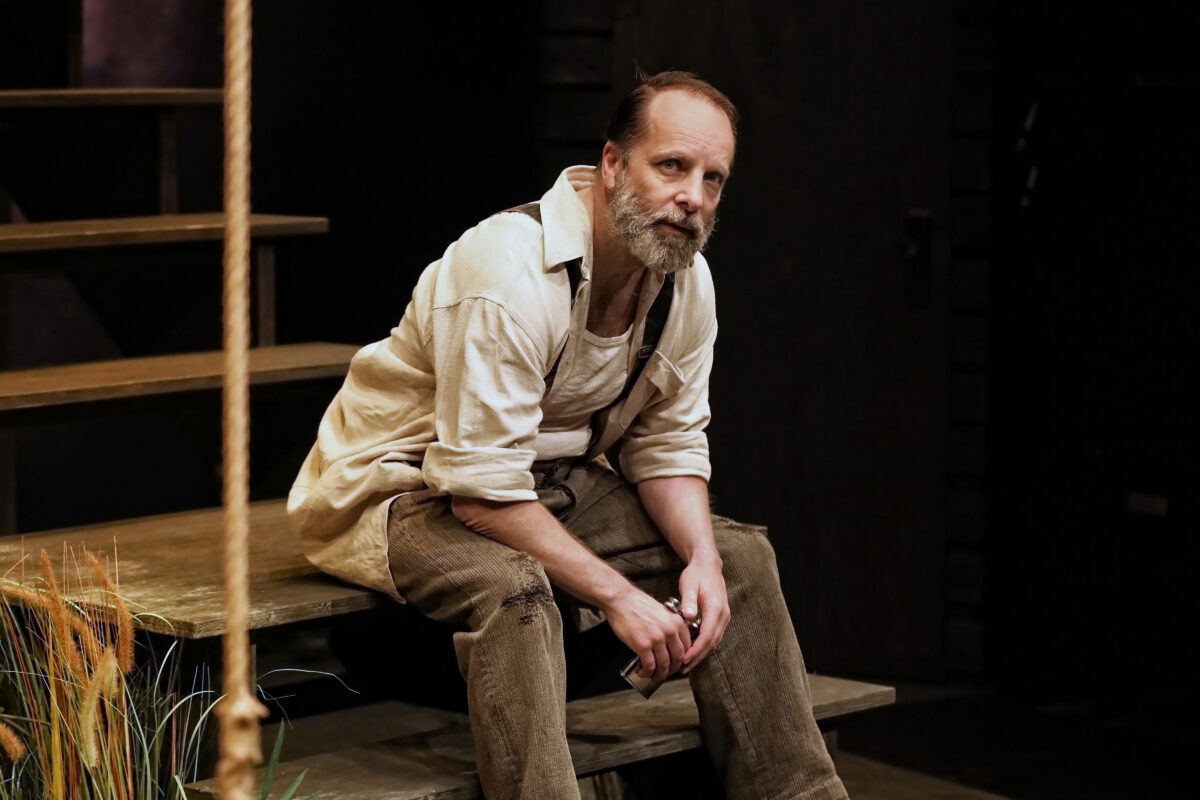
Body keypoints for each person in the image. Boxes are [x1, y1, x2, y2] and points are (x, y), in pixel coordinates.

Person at [288, 70, 848, 800]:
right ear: (613, 164)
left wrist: (703, 559)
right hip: (404, 488)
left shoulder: (687, 282)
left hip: (547, 481)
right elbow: (480, 496)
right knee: (517, 591)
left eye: (714, 179)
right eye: (672, 166)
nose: (694, 197)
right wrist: (621, 597)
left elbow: (667, 445)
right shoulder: (508, 274)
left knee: (740, 556)